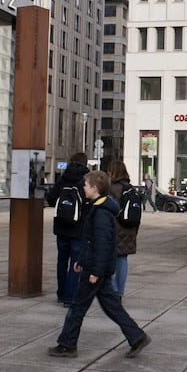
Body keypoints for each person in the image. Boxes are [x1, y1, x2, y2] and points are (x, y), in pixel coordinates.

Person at [49, 170, 152, 358]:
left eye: (86, 185)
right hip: (95, 267)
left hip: (95, 270)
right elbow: (91, 241)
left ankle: (67, 344)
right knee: (112, 307)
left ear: (95, 189)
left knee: (77, 307)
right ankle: (137, 337)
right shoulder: (98, 207)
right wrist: (81, 261)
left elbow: (103, 244)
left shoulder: (101, 213)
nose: (83, 188)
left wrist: (94, 270)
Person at [46, 152, 89, 306]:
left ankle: (61, 292)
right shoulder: (85, 180)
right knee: (75, 263)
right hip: (78, 228)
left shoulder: (63, 179)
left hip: (61, 227)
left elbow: (50, 198)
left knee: (61, 261)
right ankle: (70, 297)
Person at [107, 160, 140, 297]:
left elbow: (109, 210)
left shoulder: (112, 189)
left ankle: (114, 291)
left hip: (115, 229)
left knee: (109, 260)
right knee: (122, 260)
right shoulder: (131, 188)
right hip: (129, 229)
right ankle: (120, 292)